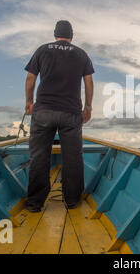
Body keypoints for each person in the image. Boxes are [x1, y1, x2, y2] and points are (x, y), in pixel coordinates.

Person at [23, 20, 94, 212]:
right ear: (72, 36)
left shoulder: (42, 50)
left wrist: (29, 102)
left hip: (43, 111)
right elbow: (88, 81)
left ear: (55, 34)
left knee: (39, 158)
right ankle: (72, 201)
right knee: (73, 158)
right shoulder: (81, 54)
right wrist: (88, 106)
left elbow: (31, 78)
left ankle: (35, 203)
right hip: (71, 113)